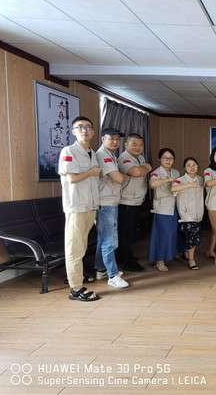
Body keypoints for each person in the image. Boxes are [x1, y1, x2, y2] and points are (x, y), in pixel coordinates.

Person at [57, 116, 101, 301]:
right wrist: (91, 172)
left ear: (93, 131)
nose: (84, 130)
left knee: (82, 247)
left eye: (88, 127)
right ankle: (75, 289)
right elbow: (72, 178)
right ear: (73, 131)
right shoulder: (69, 151)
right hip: (76, 207)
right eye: (80, 127)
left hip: (91, 206)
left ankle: (78, 279)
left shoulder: (93, 153)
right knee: (74, 248)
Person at [94, 127, 129, 289]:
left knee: (103, 239)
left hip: (110, 202)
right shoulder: (103, 155)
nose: (115, 142)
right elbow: (118, 178)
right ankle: (113, 276)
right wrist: (126, 176)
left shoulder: (111, 155)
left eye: (117, 139)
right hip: (105, 203)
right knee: (109, 240)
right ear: (103, 139)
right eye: (111, 138)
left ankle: (101, 269)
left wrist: (122, 176)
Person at [117, 134, 152, 272]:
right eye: (134, 144)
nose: (138, 147)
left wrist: (144, 168)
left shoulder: (140, 158)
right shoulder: (124, 158)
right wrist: (147, 168)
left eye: (140, 145)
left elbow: (141, 171)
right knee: (125, 233)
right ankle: (128, 262)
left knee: (130, 232)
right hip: (126, 202)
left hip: (137, 201)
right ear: (126, 145)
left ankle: (124, 256)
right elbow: (136, 172)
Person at [148, 148, 180, 271]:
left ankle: (169, 255)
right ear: (160, 159)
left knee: (172, 232)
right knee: (162, 234)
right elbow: (152, 184)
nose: (168, 160)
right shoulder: (156, 173)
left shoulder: (176, 172)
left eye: (170, 158)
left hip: (174, 206)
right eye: (165, 158)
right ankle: (159, 260)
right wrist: (167, 180)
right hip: (162, 208)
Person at [172, 157, 204, 270]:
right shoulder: (179, 180)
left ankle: (186, 253)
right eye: (189, 165)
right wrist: (189, 185)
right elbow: (173, 189)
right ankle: (191, 260)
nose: (192, 167)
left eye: (194, 165)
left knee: (190, 236)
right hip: (186, 214)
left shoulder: (200, 179)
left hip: (198, 213)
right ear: (185, 168)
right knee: (192, 237)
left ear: (197, 167)